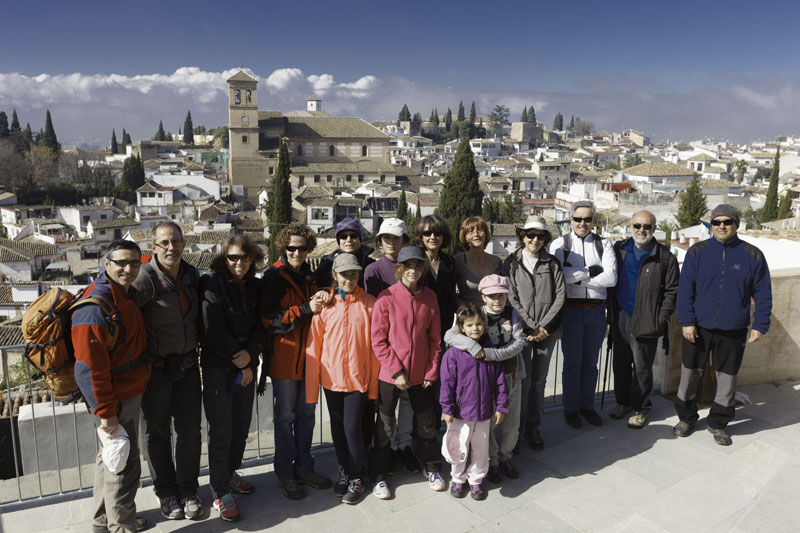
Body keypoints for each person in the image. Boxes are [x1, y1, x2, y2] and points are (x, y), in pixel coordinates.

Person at [674, 204, 772, 445]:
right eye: (716, 222)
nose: (721, 226)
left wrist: (760, 324)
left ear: (736, 224)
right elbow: (685, 290)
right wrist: (687, 322)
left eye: (727, 222)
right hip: (698, 327)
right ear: (711, 226)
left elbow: (763, 293)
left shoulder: (752, 255)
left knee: (727, 380)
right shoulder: (697, 252)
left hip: (734, 329)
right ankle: (686, 418)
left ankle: (718, 423)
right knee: (689, 375)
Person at [72, 239, 150, 533]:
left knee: (110, 459)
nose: (128, 268)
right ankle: (123, 527)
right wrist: (106, 412)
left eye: (134, 262)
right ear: (107, 264)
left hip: (126, 392)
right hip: (115, 399)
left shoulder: (122, 294)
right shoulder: (95, 306)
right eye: (121, 263)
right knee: (125, 468)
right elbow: (88, 369)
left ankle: (102, 521)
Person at [131, 222, 203, 522]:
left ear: (184, 244)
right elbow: (129, 322)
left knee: (190, 433)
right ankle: (166, 493)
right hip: (157, 372)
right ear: (153, 248)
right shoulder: (144, 279)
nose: (171, 248)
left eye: (175, 242)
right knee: (158, 433)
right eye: (164, 243)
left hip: (187, 367)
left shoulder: (191, 275)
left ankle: (188, 490)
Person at [262, 224, 331, 499]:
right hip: (285, 359)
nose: (297, 252)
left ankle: (305, 467)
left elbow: (332, 290)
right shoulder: (273, 278)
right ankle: (285, 473)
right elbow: (269, 320)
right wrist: (303, 310)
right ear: (283, 248)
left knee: (307, 416)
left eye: (302, 248)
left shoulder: (312, 278)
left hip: (310, 358)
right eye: (291, 247)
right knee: (285, 417)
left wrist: (327, 290)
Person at [370, 246, 444, 499]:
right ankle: (378, 476)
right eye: (408, 265)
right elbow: (378, 341)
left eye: (418, 265)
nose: (413, 270)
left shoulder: (430, 298)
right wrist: (396, 370)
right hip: (391, 376)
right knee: (385, 426)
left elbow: (435, 341)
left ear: (423, 268)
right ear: (399, 268)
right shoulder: (386, 297)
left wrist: (432, 371)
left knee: (426, 425)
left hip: (421, 376)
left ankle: (432, 468)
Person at [201, 234, 266, 522]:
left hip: (245, 365)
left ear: (252, 258)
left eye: (244, 257)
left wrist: (250, 355)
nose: (239, 262)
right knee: (222, 431)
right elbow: (210, 328)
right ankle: (219, 492)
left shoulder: (256, 287)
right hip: (219, 366)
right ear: (224, 259)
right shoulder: (212, 285)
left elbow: (260, 325)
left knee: (240, 427)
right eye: (233, 257)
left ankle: (229, 474)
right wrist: (239, 357)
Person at [305, 253, 379, 505]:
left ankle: (357, 478)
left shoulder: (370, 304)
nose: (350, 278)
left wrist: (373, 387)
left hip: (359, 380)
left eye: (354, 274)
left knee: (352, 430)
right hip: (331, 379)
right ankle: (345, 472)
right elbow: (314, 347)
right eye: (345, 274)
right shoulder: (324, 306)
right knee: (337, 430)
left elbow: (375, 349)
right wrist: (311, 391)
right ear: (334, 276)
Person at [444, 275, 526, 483]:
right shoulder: (476, 316)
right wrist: (474, 347)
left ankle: (506, 455)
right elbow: (451, 336)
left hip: (510, 374)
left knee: (511, 422)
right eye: (492, 296)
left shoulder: (514, 315)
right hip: (485, 380)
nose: (497, 300)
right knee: (488, 424)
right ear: (483, 297)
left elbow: (517, 345)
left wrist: (488, 354)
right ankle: (492, 460)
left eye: (501, 295)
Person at [607, 211, 679, 429]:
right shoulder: (619, 250)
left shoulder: (664, 257)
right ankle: (623, 403)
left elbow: (673, 291)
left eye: (646, 226)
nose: (641, 230)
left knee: (642, 368)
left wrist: (660, 320)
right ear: (631, 227)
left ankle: (640, 408)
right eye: (637, 225)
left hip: (648, 320)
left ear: (654, 229)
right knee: (620, 365)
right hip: (621, 317)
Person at [550, 201, 617, 429]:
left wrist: (576, 276)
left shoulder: (604, 244)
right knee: (572, 364)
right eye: (578, 219)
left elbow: (611, 279)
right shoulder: (560, 244)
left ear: (593, 221)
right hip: (571, 311)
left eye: (587, 219)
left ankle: (586, 407)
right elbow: (557, 275)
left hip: (597, 312)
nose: (582, 223)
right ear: (570, 219)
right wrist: (590, 272)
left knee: (590, 364)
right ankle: (570, 409)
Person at [502, 215, 565, 450]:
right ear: (522, 236)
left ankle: (533, 428)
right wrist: (529, 326)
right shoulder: (511, 263)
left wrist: (545, 327)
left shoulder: (552, 263)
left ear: (545, 239)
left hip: (547, 333)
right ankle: (514, 431)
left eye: (540, 236)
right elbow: (510, 298)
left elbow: (560, 296)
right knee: (521, 382)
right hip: (522, 332)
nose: (535, 240)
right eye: (530, 235)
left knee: (539, 381)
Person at [364, 217, 417, 473]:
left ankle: (403, 446)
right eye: (386, 238)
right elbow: (376, 316)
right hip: (386, 351)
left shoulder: (413, 267)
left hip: (412, 350)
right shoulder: (373, 272)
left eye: (396, 238)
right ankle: (388, 449)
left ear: (404, 240)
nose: (391, 243)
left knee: (407, 402)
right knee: (386, 407)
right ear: (380, 241)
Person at [440, 303, 508, 501]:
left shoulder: (490, 351)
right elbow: (447, 384)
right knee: (459, 448)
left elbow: (500, 381)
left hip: (485, 412)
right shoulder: (453, 354)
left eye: (479, 324)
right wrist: (447, 408)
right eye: (469, 325)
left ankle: (476, 480)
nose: (475, 328)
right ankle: (458, 479)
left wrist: (501, 405)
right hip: (460, 413)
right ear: (461, 328)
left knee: (481, 449)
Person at [416, 214, 458, 431]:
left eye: (437, 233)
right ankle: (419, 433)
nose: (433, 237)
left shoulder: (449, 262)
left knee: (439, 382)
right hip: (418, 331)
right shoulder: (414, 261)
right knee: (420, 385)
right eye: (427, 233)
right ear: (420, 236)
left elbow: (453, 295)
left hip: (443, 331)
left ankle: (432, 431)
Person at [314, 217, 375, 290]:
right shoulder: (327, 266)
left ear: (360, 239)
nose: (348, 240)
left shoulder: (370, 265)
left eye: (353, 236)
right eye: (344, 236)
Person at [454, 216, 502, 306]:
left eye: (480, 230)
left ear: (485, 234)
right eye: (470, 232)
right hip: (468, 316)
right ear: (465, 237)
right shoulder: (457, 261)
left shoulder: (497, 262)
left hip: (493, 316)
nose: (476, 234)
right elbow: (450, 292)